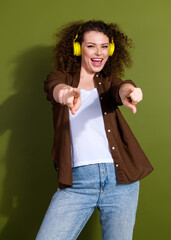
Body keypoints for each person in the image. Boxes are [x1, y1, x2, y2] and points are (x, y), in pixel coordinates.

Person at [36, 20, 153, 240]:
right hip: (78, 184)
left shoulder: (108, 83)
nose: (98, 52)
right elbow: (55, 88)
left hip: (121, 182)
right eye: (91, 46)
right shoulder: (62, 79)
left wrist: (131, 91)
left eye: (104, 46)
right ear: (78, 48)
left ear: (111, 50)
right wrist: (66, 94)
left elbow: (121, 88)